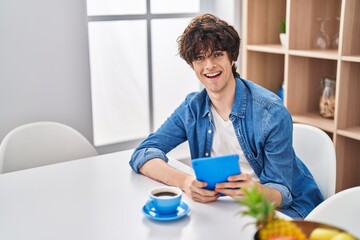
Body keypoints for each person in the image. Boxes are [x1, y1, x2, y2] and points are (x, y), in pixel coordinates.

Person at [129, 13, 323, 219]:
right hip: (226, 209)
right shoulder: (192, 108)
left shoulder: (270, 112)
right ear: (192, 65)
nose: (209, 65)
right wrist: (185, 182)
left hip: (283, 211)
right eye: (200, 58)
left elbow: (282, 194)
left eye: (217, 54)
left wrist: (253, 191)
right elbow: (143, 153)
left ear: (232, 57)